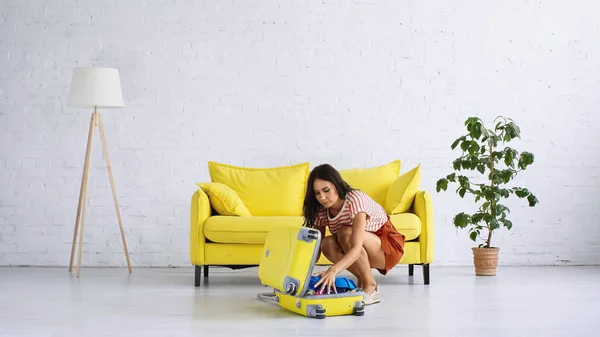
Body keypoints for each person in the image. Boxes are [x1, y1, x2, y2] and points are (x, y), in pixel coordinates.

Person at [302, 164, 406, 305]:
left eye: (326, 190)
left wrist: (333, 271)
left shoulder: (354, 200)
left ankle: (370, 285)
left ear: (337, 185)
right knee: (327, 243)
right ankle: (364, 281)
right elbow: (317, 249)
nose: (322, 197)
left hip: (386, 248)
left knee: (346, 232)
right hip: (361, 248)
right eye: (317, 193)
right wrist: (300, 275)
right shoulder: (321, 211)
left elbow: (356, 248)